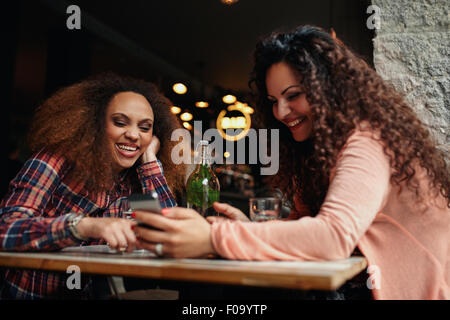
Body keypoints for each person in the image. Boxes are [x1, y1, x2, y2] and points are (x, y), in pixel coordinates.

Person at [133, 26, 450, 300]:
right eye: (273, 102)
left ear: (330, 90)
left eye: (293, 95)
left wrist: (212, 238)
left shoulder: (367, 141)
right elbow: (305, 224)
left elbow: (332, 238)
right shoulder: (319, 151)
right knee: (212, 288)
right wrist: (247, 229)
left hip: (407, 289)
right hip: (365, 284)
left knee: (219, 290)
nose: (281, 112)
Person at [0, 73, 185, 299]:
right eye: (120, 122)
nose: (134, 135)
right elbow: (6, 230)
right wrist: (84, 226)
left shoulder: (136, 179)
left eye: (145, 128)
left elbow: (166, 236)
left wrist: (149, 162)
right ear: (95, 123)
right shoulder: (57, 159)